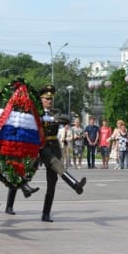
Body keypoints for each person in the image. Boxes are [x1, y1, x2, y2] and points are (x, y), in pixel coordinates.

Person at [38, 85, 86, 222]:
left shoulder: (55, 112)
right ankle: (75, 185)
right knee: (55, 164)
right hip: (42, 147)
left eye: (51, 99)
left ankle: (46, 213)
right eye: (46, 99)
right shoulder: (36, 112)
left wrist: (55, 119)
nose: (49, 101)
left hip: (54, 146)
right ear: (41, 99)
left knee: (52, 184)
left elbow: (65, 118)